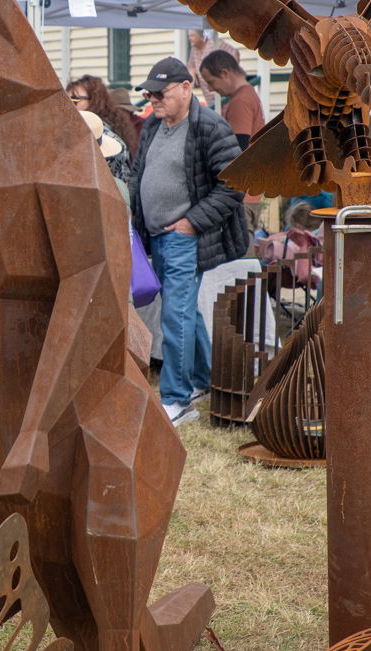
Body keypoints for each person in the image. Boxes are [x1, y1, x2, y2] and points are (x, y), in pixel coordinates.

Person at [130, 57, 248, 425]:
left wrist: (192, 223)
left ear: (186, 88)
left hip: (183, 237)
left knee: (175, 314)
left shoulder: (210, 126)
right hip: (156, 235)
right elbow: (139, 173)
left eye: (160, 93)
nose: (154, 100)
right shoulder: (153, 124)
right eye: (149, 95)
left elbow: (235, 184)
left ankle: (177, 401)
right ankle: (201, 380)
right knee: (184, 311)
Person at [196, 50, 266, 147]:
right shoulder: (248, 92)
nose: (210, 89)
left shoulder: (240, 102)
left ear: (225, 73)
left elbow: (238, 150)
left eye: (211, 82)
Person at [66, 75, 139, 155]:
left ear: (94, 100)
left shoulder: (101, 127)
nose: (69, 105)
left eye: (75, 99)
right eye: (66, 100)